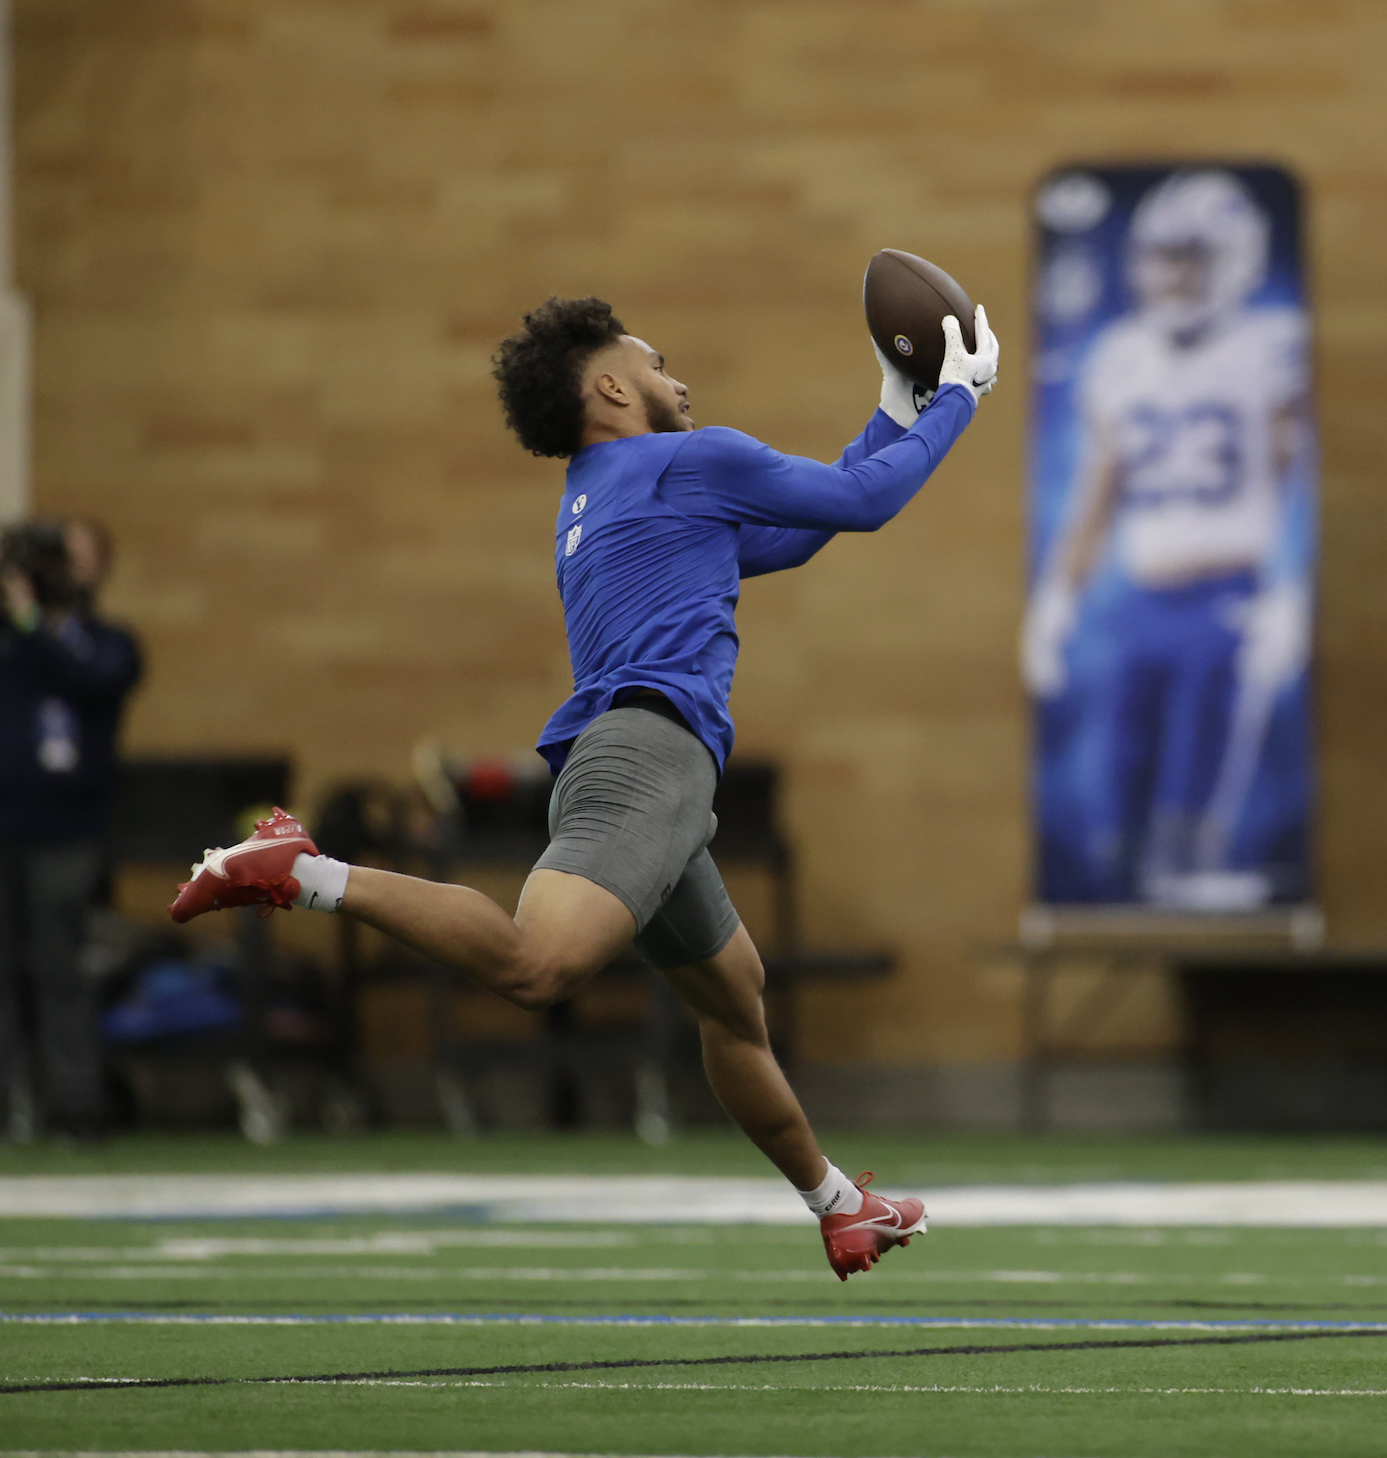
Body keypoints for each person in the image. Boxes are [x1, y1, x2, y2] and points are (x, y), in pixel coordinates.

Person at [169, 295, 997, 1275]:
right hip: (651, 765)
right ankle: (302, 871)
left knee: (736, 1003)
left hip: (635, 770)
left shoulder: (608, 488)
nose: (677, 376)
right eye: (657, 359)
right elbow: (860, 504)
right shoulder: (689, 462)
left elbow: (808, 525)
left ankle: (840, 1203)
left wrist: (898, 408)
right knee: (536, 967)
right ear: (609, 385)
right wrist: (958, 399)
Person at [1021, 170, 1311, 909]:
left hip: (1231, 598)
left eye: (1192, 256)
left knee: (1191, 813)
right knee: (1113, 801)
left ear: (1238, 260)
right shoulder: (1119, 356)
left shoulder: (1274, 348)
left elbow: (1300, 483)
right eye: (1161, 256)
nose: (1172, 275)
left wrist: (1292, 590)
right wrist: (1056, 596)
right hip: (1140, 603)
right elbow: (1099, 493)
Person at [0, 516, 143, 1139]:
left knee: (62, 969)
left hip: (67, 833)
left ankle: (75, 1105)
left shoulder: (109, 642)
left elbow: (88, 680)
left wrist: (31, 623)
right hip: (4, 826)